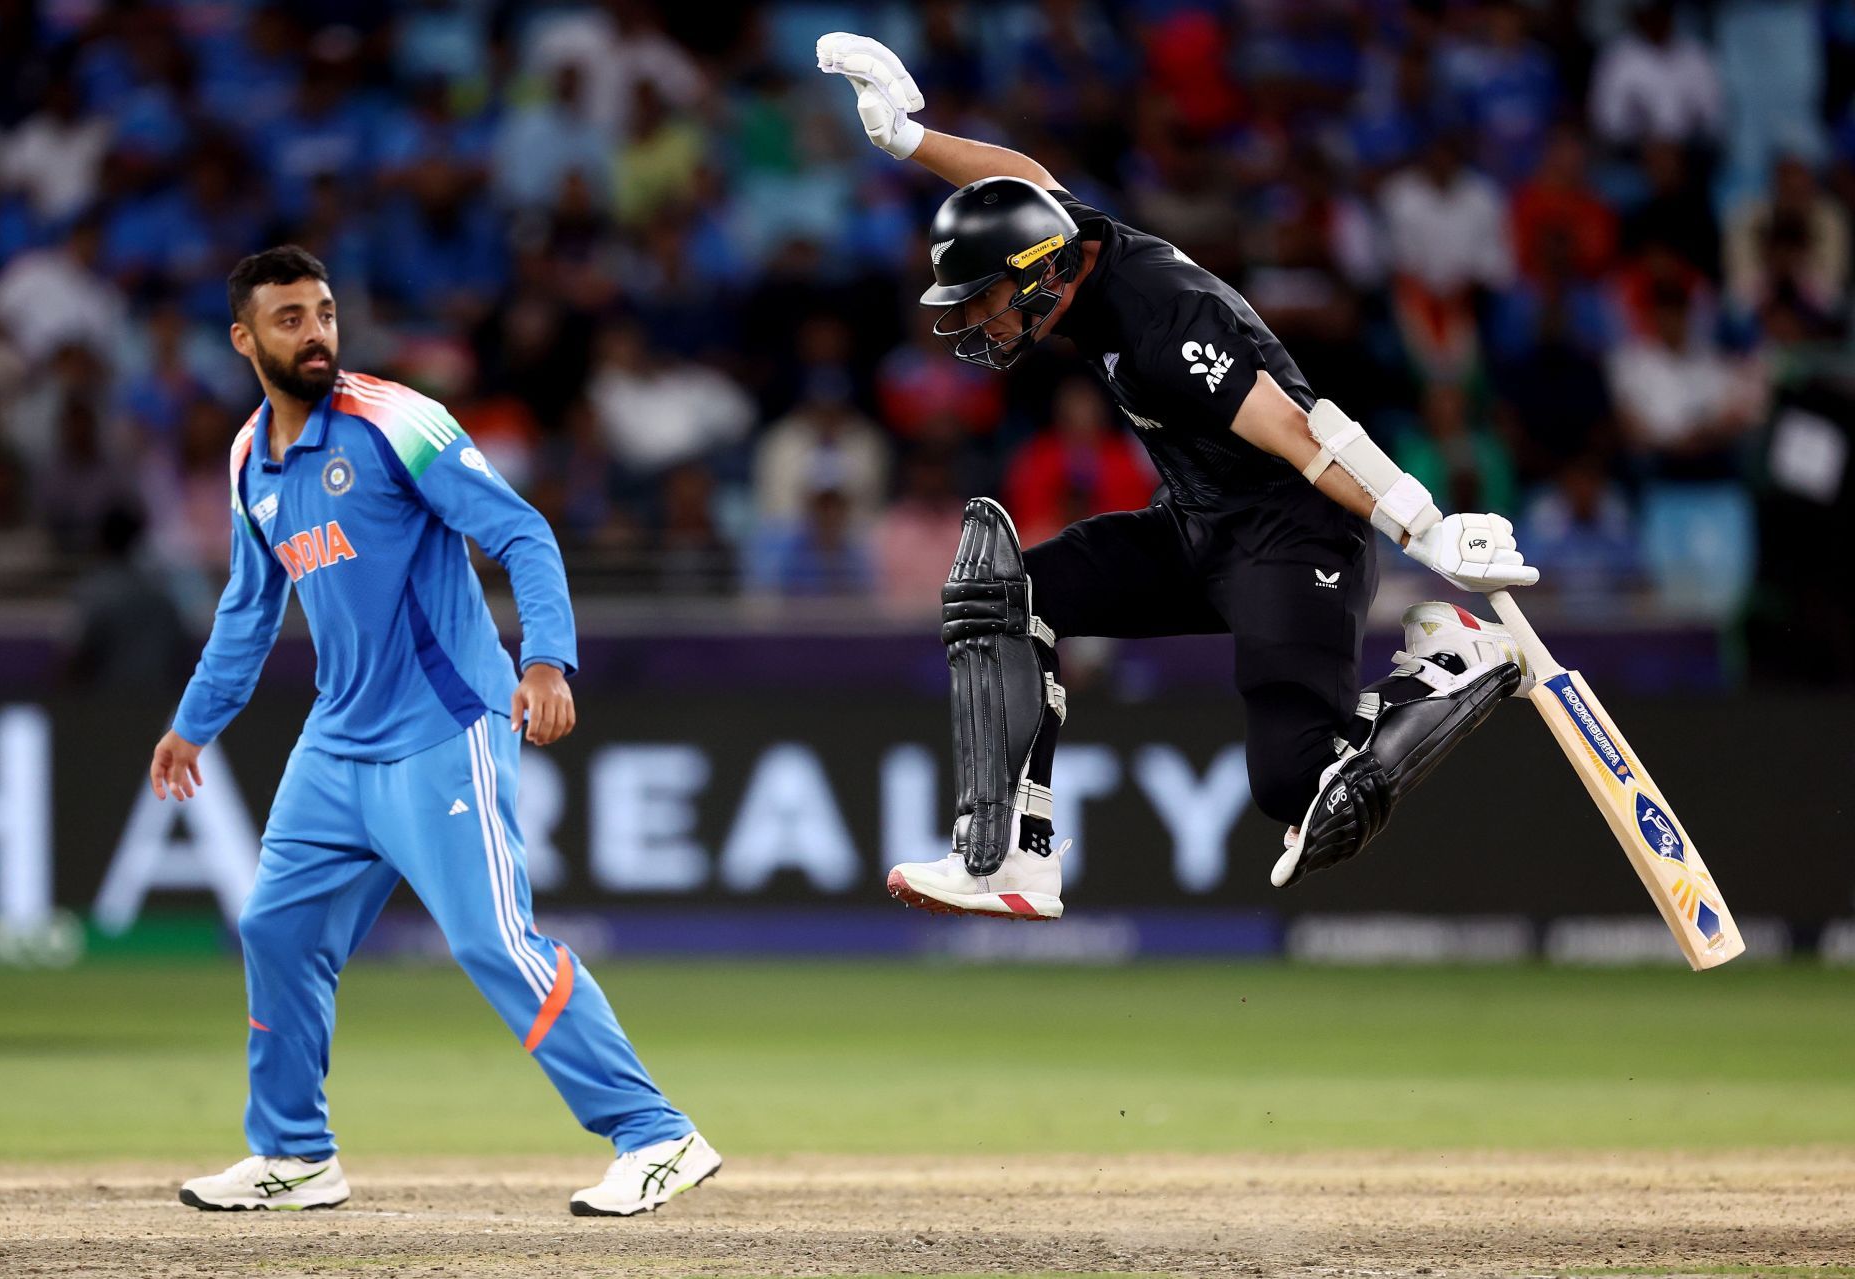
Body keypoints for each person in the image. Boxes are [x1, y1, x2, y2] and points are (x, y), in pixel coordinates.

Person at [816, 35, 1540, 920]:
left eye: (984, 301)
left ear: (1038, 275)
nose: (978, 322)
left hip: (1294, 532)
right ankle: (1012, 858)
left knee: (1304, 789)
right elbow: (1028, 177)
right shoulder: (1075, 249)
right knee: (1005, 595)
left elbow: (1302, 432)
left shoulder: (1166, 321)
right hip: (1197, 524)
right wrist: (910, 139)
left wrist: (1425, 527)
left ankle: (1448, 667)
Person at [147, 247, 719, 1216]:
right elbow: (248, 612)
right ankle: (295, 1152)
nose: (316, 332)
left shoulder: (393, 419)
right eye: (290, 318)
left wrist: (547, 659)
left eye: (325, 311)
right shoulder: (252, 458)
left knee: (494, 938)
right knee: (275, 928)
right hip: (337, 744)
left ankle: (657, 1134)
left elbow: (523, 532)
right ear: (244, 339)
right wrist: (191, 725)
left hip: (443, 726)